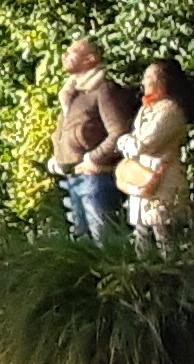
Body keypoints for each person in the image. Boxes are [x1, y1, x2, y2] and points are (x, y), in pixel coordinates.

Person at [54, 37, 137, 241]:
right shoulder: (73, 95)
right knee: (83, 243)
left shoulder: (103, 90)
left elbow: (118, 132)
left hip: (96, 177)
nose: (65, 55)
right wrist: (58, 157)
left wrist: (93, 158)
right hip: (73, 177)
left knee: (105, 242)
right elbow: (66, 131)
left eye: (72, 52)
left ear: (89, 59)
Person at [111, 56, 194, 248]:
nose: (144, 82)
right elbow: (131, 144)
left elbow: (144, 145)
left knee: (164, 235)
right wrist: (126, 142)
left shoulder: (171, 111)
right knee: (141, 236)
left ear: (163, 80)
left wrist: (125, 141)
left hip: (163, 181)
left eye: (149, 77)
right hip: (141, 181)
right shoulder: (146, 109)